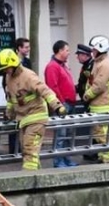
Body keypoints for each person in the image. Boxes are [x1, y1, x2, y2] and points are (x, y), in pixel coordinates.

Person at [0, 48, 67, 170]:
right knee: (26, 149)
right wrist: (9, 113)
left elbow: (45, 90)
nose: (5, 71)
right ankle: (37, 177)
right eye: (3, 70)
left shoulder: (28, 76)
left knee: (30, 148)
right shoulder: (9, 78)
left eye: (6, 68)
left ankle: (29, 176)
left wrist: (57, 106)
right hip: (23, 119)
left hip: (36, 116)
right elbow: (11, 98)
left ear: (14, 64)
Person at [82, 35, 109, 164]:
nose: (92, 52)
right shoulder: (99, 63)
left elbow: (99, 85)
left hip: (103, 104)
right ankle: (104, 156)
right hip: (98, 104)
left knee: (104, 133)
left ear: (100, 49)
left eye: (94, 49)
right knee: (100, 133)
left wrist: (87, 95)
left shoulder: (105, 64)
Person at [44, 40, 79, 168]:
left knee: (68, 134)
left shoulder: (62, 65)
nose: (69, 53)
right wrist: (61, 103)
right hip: (62, 105)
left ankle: (67, 159)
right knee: (61, 134)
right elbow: (52, 86)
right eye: (67, 50)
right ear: (60, 51)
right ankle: (58, 161)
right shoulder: (52, 66)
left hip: (69, 103)